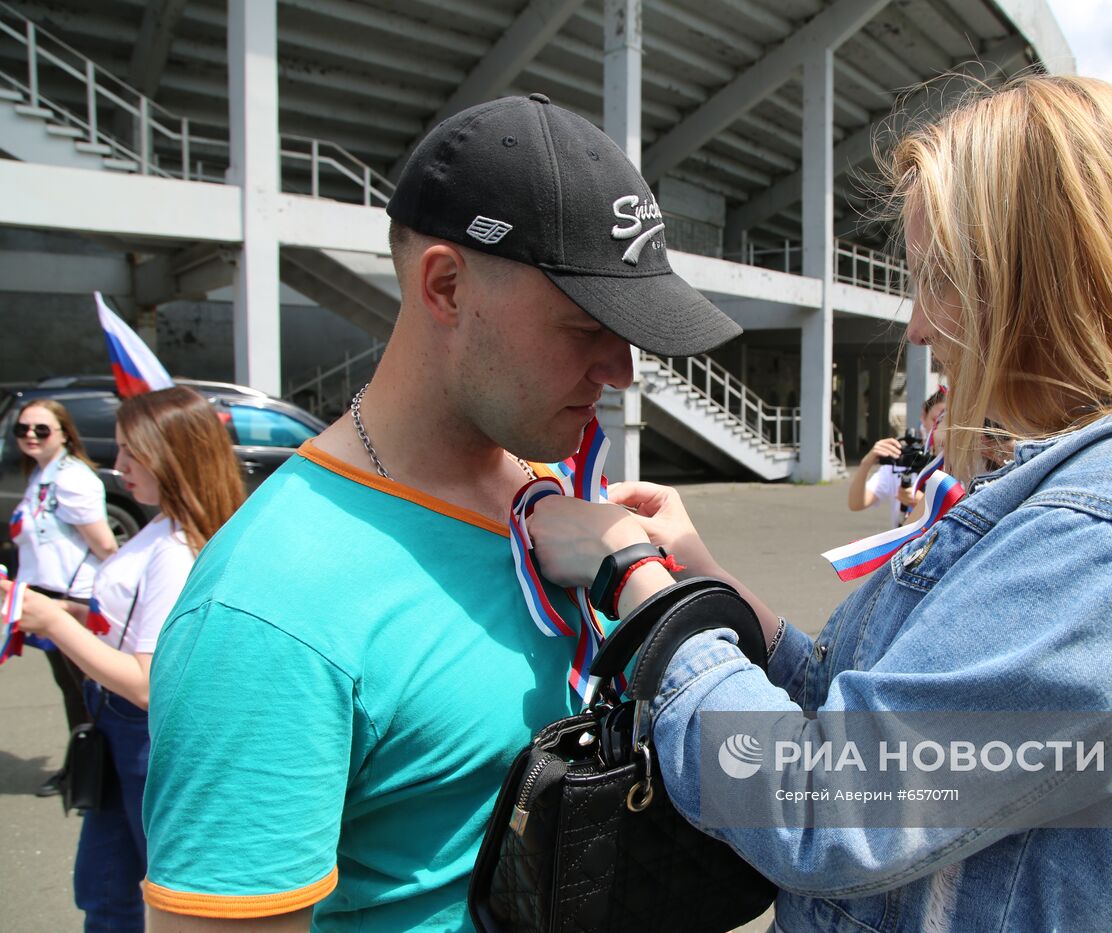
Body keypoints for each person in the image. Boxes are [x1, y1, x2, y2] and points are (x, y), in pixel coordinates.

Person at [527, 75, 1112, 932]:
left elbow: (824, 808)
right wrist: (700, 575)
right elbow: (859, 697)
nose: (918, 327)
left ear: (1040, 278)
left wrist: (634, 577)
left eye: (939, 278)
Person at [140, 94, 741, 932]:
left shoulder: (552, 490)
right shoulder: (271, 610)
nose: (623, 369)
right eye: (586, 327)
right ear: (447, 285)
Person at [2, 386, 245, 932]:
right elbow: (121, 616)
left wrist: (53, 622)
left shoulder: (178, 549)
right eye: (118, 450)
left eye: (132, 453)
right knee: (104, 887)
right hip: (117, 727)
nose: (119, 467)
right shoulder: (161, 526)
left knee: (138, 892)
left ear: (174, 454)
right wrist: (43, 604)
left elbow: (145, 684)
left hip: (139, 732)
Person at [8, 398, 118, 796]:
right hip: (46, 595)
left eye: (42, 430)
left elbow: (104, 543)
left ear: (65, 433)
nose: (31, 437)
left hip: (71, 599)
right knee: (71, 688)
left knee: (89, 689)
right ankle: (82, 767)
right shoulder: (43, 475)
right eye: (23, 430)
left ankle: (98, 773)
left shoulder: (72, 479)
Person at [847, 390, 946, 527]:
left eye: (948, 421)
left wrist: (922, 502)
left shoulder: (964, 465)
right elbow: (856, 503)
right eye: (936, 421)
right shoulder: (905, 458)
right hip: (904, 545)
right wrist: (866, 463)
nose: (941, 428)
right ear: (923, 417)